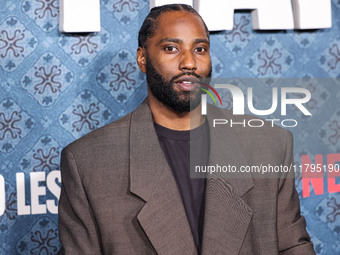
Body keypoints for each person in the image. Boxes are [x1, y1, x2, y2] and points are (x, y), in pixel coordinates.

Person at [58, 4, 316, 255]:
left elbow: (293, 246)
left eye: (200, 49)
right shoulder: (88, 163)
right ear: (142, 58)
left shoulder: (269, 145)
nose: (189, 63)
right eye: (171, 48)